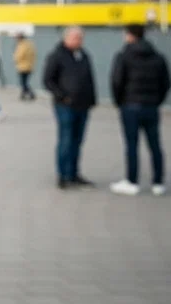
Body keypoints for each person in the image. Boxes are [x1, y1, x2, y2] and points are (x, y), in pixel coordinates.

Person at [109, 24, 169, 196]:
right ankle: (158, 183)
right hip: (151, 106)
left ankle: (132, 181)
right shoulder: (158, 57)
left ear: (129, 35)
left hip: (130, 106)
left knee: (131, 145)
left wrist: (120, 102)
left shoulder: (123, 56)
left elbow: (116, 81)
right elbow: (166, 82)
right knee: (155, 144)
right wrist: (156, 101)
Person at [43, 26, 96, 189]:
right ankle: (63, 175)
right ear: (66, 38)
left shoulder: (84, 55)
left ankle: (74, 173)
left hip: (83, 105)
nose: (79, 41)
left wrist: (92, 99)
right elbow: (48, 80)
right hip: (65, 106)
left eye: (80, 38)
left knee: (77, 141)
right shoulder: (57, 55)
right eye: (75, 38)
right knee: (66, 140)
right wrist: (62, 96)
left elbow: (89, 78)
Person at [13, 33, 36, 101]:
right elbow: (34, 55)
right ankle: (23, 95)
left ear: (20, 38)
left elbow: (19, 55)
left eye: (17, 38)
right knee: (24, 81)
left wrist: (15, 58)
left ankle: (31, 94)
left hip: (23, 66)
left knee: (23, 82)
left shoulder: (22, 45)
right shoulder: (30, 44)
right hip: (29, 66)